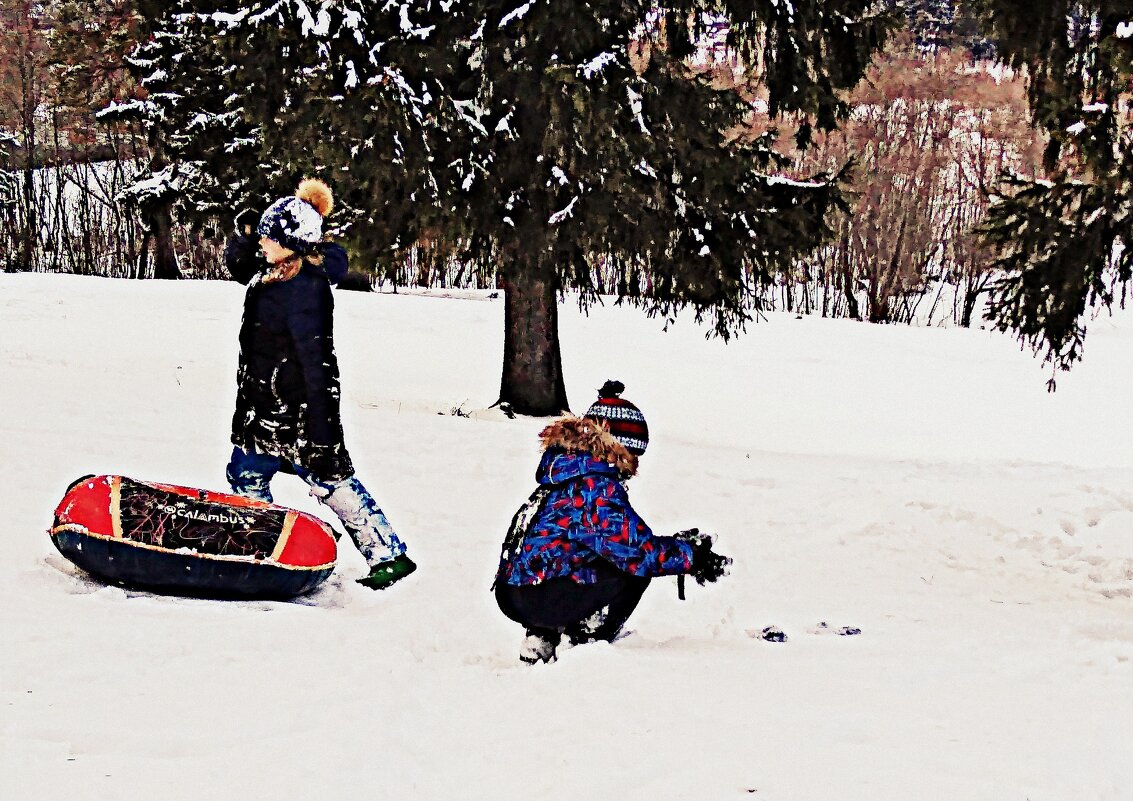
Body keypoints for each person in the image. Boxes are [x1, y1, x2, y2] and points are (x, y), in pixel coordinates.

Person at [224, 178, 416, 590]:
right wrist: (244, 235)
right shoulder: (272, 271)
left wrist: (322, 429)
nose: (260, 244)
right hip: (262, 408)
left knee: (330, 482)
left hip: (298, 413)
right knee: (245, 475)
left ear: (290, 242)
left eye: (266, 238)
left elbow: (317, 365)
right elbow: (240, 266)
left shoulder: (303, 291)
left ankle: (388, 555)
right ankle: (262, 547)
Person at [493, 381, 731, 663]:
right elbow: (638, 552)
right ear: (617, 448)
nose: (633, 467)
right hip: (536, 596)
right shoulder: (594, 486)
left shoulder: (565, 472)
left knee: (588, 559)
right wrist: (693, 557)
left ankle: (542, 636)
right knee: (632, 571)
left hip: (514, 591)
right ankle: (585, 642)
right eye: (633, 456)